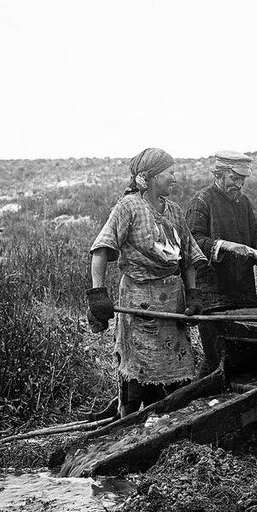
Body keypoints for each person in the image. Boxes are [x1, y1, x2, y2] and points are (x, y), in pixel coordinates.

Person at [86, 148, 207, 417]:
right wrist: (98, 293)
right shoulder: (128, 207)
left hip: (172, 303)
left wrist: (193, 294)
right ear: (149, 177)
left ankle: (168, 420)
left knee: (175, 371)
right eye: (170, 173)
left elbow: (187, 256)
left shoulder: (174, 210)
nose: (175, 178)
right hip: (138, 299)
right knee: (138, 369)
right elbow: (101, 249)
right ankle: (128, 423)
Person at [186, 150, 257, 371]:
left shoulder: (244, 203)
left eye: (242, 180)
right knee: (218, 361)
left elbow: (256, 236)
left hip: (244, 296)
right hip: (213, 298)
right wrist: (224, 246)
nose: (239, 185)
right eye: (234, 178)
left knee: (244, 361)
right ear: (218, 174)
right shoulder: (201, 201)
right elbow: (192, 242)